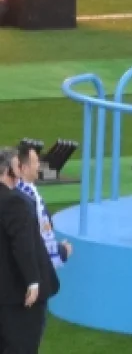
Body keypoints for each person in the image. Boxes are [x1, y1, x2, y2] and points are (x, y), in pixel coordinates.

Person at [0, 148, 60, 354]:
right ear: (10, 170)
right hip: (18, 295)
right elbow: (23, 244)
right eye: (18, 165)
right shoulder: (15, 201)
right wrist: (33, 281)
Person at [13, 143, 71, 268]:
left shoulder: (28, 191)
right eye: (36, 162)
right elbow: (35, 238)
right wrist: (62, 251)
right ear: (24, 168)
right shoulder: (25, 199)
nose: (39, 165)